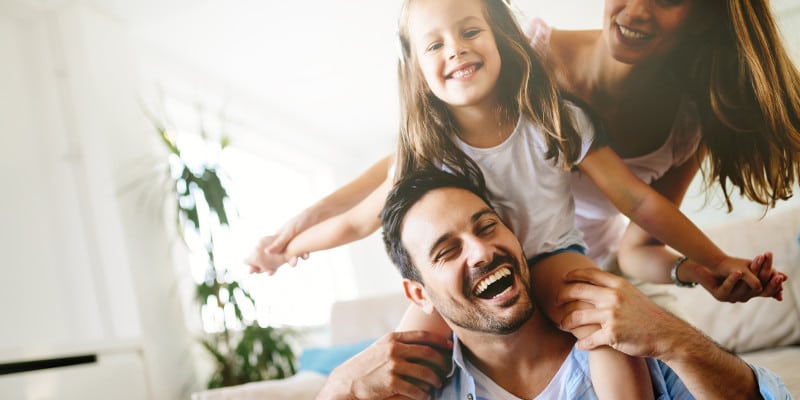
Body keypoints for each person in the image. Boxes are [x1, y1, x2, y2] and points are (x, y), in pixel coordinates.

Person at [248, 0, 786, 398]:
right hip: (471, 282)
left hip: (553, 256)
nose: (455, 49)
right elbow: (356, 222)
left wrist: (714, 261)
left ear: (500, 38)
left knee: (604, 329)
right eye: (434, 44)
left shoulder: (554, 116)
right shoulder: (428, 147)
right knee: (406, 355)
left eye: (469, 31)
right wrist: (292, 245)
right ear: (416, 68)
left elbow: (640, 204)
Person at [316, 169, 790, 399]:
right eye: (447, 250)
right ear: (418, 294)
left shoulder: (629, 335)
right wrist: (336, 391)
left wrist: (674, 342)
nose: (481, 252)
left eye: (486, 227)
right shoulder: (422, 386)